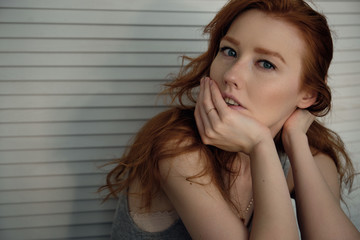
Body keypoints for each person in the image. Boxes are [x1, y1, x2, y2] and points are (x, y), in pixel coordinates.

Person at [99, 0, 360, 239]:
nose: (231, 75)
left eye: (266, 64)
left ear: (308, 94)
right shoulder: (177, 149)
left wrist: (296, 141)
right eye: (229, 51)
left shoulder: (308, 154)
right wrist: (260, 145)